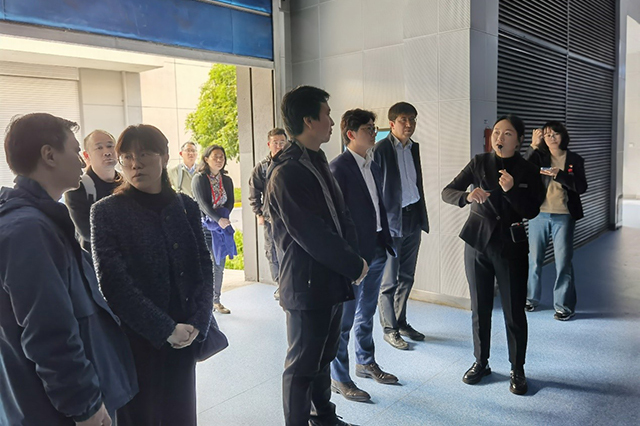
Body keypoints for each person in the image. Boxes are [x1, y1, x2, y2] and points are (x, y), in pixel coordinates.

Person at [0, 113, 137, 426]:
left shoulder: (39, 220)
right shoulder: (28, 231)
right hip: (56, 410)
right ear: (49, 155)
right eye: (75, 151)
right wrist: (85, 407)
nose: (80, 160)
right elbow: (49, 332)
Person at [91, 124, 214, 425]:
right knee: (140, 417)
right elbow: (114, 284)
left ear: (164, 157)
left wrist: (198, 322)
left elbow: (203, 265)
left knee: (181, 415)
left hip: (185, 336)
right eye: (127, 157)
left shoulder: (185, 206)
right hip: (138, 341)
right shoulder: (106, 212)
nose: (135, 164)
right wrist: (165, 329)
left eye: (144, 154)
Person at [267, 86, 367, 426]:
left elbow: (341, 215)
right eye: (327, 115)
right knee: (302, 367)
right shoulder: (287, 171)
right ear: (309, 120)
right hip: (306, 283)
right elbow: (310, 233)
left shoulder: (317, 158)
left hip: (330, 278)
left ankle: (323, 417)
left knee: (323, 358)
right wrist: (353, 264)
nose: (331, 122)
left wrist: (353, 258)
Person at [441, 114, 544, 395]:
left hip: (510, 245)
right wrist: (466, 196)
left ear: (519, 140)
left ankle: (517, 369)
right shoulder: (479, 162)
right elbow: (447, 191)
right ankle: (481, 362)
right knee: (480, 308)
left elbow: (532, 210)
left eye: (507, 133)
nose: (499, 137)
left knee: (513, 311)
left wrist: (511, 191)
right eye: (497, 132)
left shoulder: (528, 169)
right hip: (477, 243)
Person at [329, 109, 398, 403]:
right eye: (368, 128)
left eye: (374, 127)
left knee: (367, 313)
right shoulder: (338, 168)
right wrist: (348, 257)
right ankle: (339, 377)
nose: (374, 132)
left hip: (378, 248)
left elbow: (377, 206)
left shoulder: (373, 164)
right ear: (351, 134)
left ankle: (365, 362)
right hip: (355, 258)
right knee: (344, 320)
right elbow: (336, 218)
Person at [372, 101, 429, 350]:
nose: (409, 124)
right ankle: (389, 329)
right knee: (389, 281)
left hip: (413, 217)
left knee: (407, 276)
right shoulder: (380, 150)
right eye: (404, 119)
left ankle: (401, 321)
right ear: (392, 123)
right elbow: (374, 190)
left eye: (412, 119)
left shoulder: (413, 148)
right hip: (392, 221)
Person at [525, 121, 587, 320]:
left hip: (564, 216)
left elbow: (581, 187)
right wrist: (533, 146)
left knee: (563, 262)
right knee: (534, 260)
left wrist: (559, 175)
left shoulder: (574, 159)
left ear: (563, 136)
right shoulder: (539, 156)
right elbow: (521, 169)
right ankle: (530, 299)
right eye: (547, 134)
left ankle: (564, 307)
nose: (551, 137)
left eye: (555, 134)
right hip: (539, 215)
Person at [192, 145, 237, 315]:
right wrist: (218, 219)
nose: (219, 160)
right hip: (204, 227)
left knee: (219, 265)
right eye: (215, 157)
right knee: (205, 265)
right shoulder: (199, 179)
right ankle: (202, 302)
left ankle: (216, 301)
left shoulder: (227, 180)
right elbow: (202, 204)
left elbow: (230, 202)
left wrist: (223, 217)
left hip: (220, 228)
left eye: (222, 157)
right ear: (206, 159)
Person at [248, 128, 288, 300]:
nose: (279, 146)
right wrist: (259, 213)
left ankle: (289, 284)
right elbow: (254, 192)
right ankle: (280, 285)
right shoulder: (262, 167)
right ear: (269, 144)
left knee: (289, 251)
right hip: (270, 218)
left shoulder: (293, 163)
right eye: (275, 142)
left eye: (282, 142)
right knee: (271, 251)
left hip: (291, 218)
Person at [64, 129, 119, 252]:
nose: (107, 152)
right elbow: (87, 233)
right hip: (94, 260)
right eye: (99, 148)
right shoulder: (77, 187)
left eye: (110, 146)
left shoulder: (128, 183)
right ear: (86, 156)